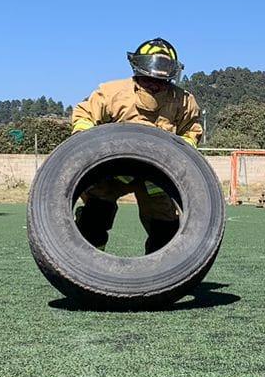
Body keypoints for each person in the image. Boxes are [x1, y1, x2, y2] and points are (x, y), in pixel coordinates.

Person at [70, 38, 203, 253]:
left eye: (161, 79)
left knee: (165, 227)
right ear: (138, 69)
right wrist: (86, 144)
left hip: (156, 174)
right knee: (96, 215)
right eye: (148, 77)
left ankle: (159, 275)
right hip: (113, 169)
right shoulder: (113, 92)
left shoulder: (182, 101)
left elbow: (192, 130)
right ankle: (91, 266)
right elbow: (84, 114)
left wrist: (182, 151)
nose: (153, 83)